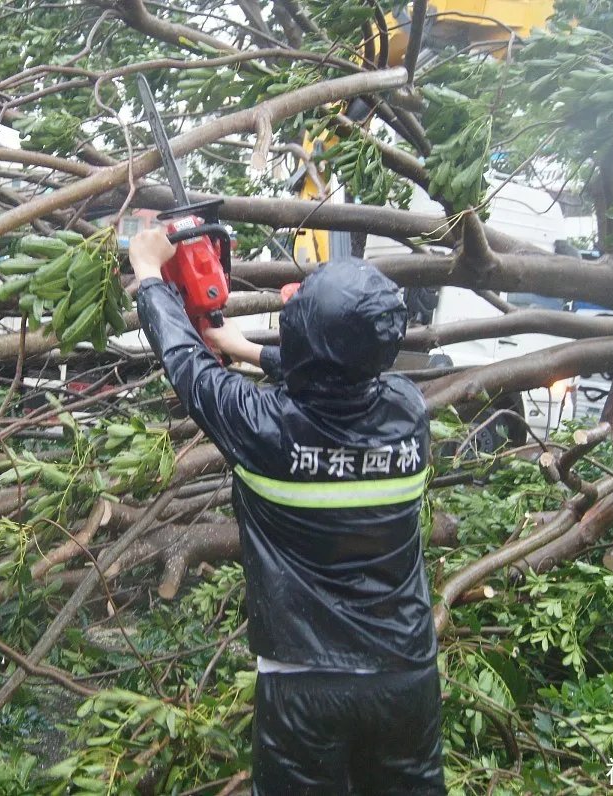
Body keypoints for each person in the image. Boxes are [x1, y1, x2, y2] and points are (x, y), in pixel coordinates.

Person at [129, 228, 446, 796]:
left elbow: (184, 364)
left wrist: (149, 275)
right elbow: (335, 376)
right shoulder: (408, 412)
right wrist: (243, 348)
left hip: (303, 683)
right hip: (405, 673)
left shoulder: (264, 428)